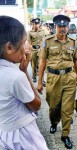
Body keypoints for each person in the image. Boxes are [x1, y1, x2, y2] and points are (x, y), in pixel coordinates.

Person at [0, 16, 48, 150]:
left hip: (5, 132)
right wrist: (24, 72)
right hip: (22, 137)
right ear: (9, 47)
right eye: (23, 42)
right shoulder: (15, 77)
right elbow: (36, 105)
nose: (26, 47)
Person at [38, 14, 77, 149]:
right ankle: (54, 122)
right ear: (55, 27)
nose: (62, 29)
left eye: (64, 26)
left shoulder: (74, 43)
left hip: (69, 78)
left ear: (68, 28)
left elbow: (76, 61)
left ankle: (65, 134)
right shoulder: (48, 41)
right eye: (59, 26)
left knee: (67, 109)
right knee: (53, 106)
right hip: (53, 78)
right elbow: (42, 62)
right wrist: (39, 82)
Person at [28, 18, 45, 85]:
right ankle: (34, 76)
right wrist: (30, 48)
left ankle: (42, 79)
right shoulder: (30, 32)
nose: (37, 25)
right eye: (35, 24)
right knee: (34, 64)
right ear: (33, 24)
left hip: (41, 50)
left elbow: (45, 40)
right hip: (33, 50)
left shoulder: (43, 31)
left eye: (38, 24)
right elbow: (29, 42)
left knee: (41, 65)